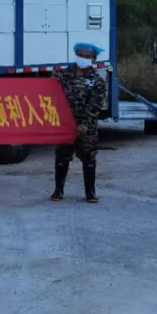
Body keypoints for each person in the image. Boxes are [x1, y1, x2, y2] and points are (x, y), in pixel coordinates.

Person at [52, 43, 108, 204]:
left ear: (94, 59)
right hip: (65, 124)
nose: (83, 59)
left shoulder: (97, 81)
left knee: (88, 158)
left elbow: (95, 105)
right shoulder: (62, 75)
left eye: (87, 56)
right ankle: (58, 190)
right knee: (62, 157)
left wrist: (84, 123)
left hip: (86, 126)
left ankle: (90, 193)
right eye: (80, 55)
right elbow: (48, 92)